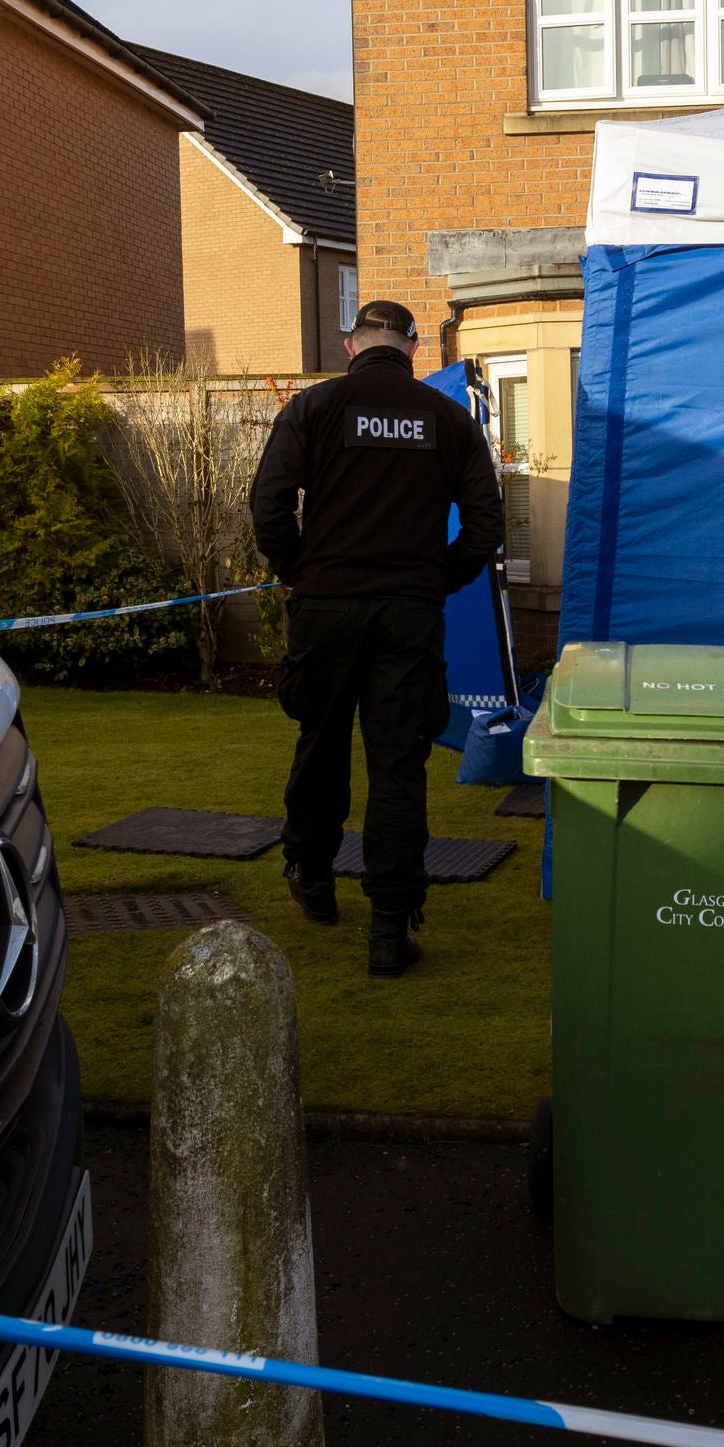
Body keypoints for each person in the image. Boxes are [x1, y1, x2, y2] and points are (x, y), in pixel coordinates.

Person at [248, 300, 504, 975]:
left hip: (327, 606)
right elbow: (485, 525)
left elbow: (268, 501)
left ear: (349, 343)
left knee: (320, 741)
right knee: (398, 762)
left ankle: (312, 874)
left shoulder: (316, 408)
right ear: (414, 346)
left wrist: (296, 566)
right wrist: (436, 578)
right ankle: (390, 928)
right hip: (407, 613)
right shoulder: (448, 420)